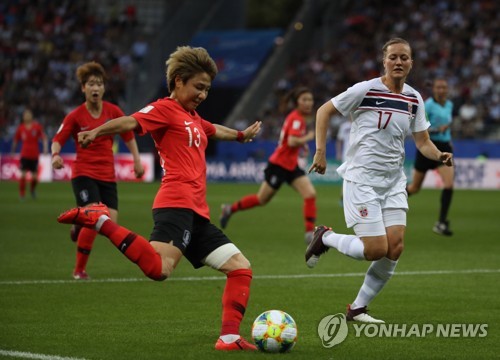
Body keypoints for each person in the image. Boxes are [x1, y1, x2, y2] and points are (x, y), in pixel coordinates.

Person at [57, 46, 262, 351]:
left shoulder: (192, 116)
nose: (203, 94)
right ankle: (98, 220)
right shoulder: (165, 109)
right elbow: (130, 122)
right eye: (199, 87)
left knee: (240, 267)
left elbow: (212, 129)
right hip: (175, 203)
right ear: (178, 81)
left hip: (197, 212)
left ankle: (229, 338)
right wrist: (97, 132)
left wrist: (239, 134)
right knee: (158, 270)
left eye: (207, 89)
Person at [306, 38, 453, 323]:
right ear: (384, 61)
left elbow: (422, 141)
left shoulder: (414, 98)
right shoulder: (365, 89)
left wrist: (439, 155)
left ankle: (357, 308)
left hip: (394, 181)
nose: (398, 62)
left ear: (411, 63)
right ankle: (325, 237)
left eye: (404, 58)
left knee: (395, 246)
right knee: (375, 250)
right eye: (393, 57)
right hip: (362, 179)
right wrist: (321, 152)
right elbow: (324, 110)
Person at [51, 61, 144, 280]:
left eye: (99, 84)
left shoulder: (113, 111)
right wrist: (55, 155)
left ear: (104, 88)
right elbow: (58, 139)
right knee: (95, 218)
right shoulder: (75, 116)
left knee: (109, 223)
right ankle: (79, 270)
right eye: (91, 84)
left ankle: (78, 225)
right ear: (83, 88)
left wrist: (137, 161)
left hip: (107, 176)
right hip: (83, 173)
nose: (96, 88)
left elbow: (129, 135)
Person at [220, 87, 317, 244]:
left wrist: (303, 146)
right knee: (261, 199)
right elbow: (292, 141)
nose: (308, 103)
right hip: (278, 165)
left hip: (291, 165)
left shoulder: (298, 118)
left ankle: (309, 234)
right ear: (297, 102)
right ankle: (229, 209)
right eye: (304, 100)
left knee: (310, 194)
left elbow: (290, 140)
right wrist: (309, 137)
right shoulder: (297, 118)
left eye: (310, 100)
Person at [406, 78, 454, 236]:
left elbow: (447, 127)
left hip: (444, 148)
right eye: (438, 87)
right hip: (428, 148)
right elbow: (421, 129)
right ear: (433, 89)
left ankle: (441, 223)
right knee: (415, 188)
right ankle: (388, 202)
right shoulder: (427, 105)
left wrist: (449, 141)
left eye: (444, 87)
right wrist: (436, 130)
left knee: (449, 185)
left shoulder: (449, 105)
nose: (441, 90)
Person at [11, 109, 48, 200]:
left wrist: (45, 148)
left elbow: (44, 138)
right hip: (24, 155)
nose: (27, 116)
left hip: (34, 155)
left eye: (29, 114)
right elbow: (16, 140)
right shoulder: (21, 128)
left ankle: (32, 190)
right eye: (25, 115)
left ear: (32, 116)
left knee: (35, 178)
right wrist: (13, 151)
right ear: (23, 117)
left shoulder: (37, 127)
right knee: (23, 175)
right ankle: (22, 194)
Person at [335, 118, 351, 206]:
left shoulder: (360, 123)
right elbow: (339, 140)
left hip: (357, 156)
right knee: (346, 177)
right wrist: (338, 152)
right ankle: (343, 197)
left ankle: (345, 197)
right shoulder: (344, 126)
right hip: (346, 155)